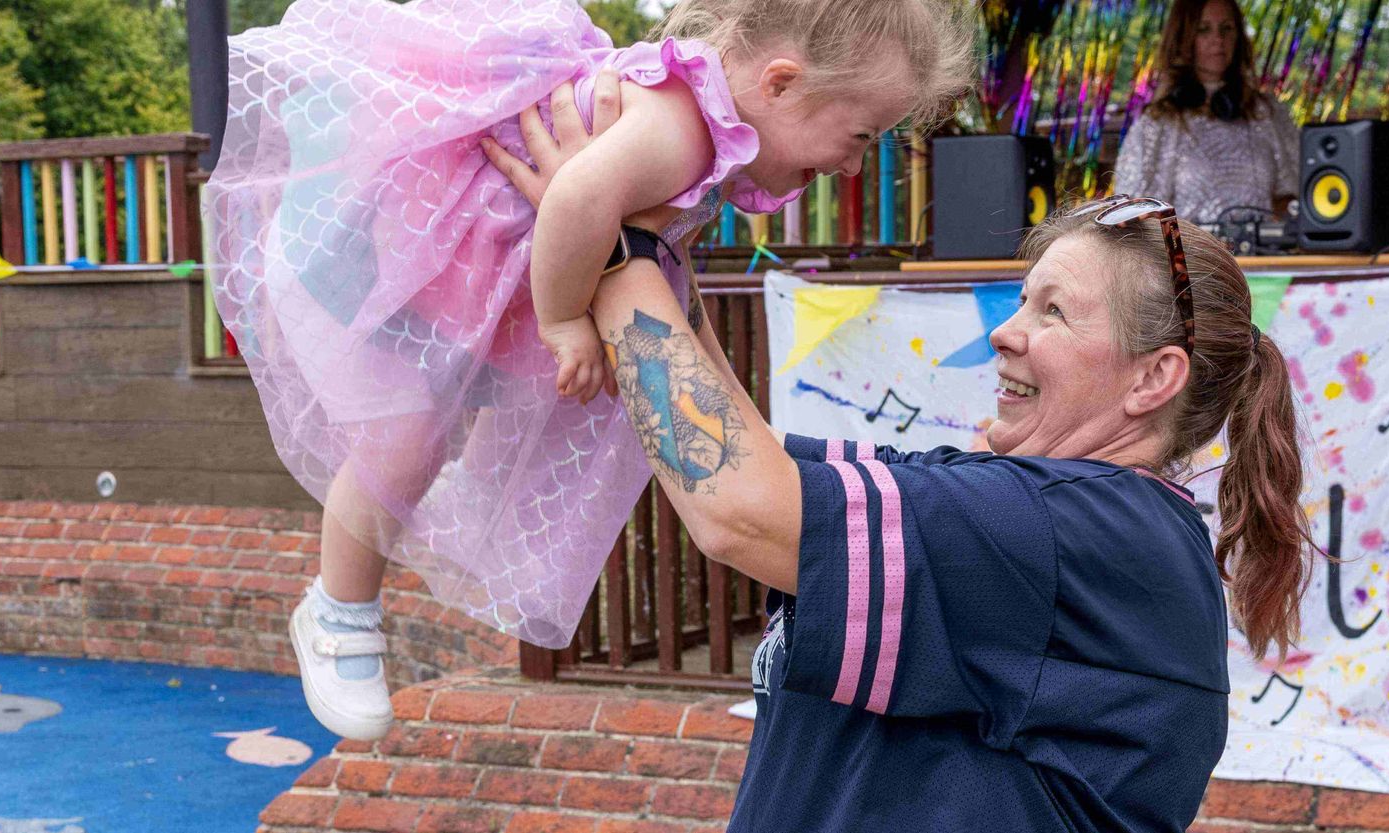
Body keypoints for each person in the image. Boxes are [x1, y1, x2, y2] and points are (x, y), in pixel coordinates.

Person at [496, 102, 1315, 832]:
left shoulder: (1074, 529)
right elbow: (758, 467)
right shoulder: (1059, 513)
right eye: (1023, 298)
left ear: (1152, 379)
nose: (1006, 331)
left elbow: (738, 508)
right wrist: (656, 247)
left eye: (1054, 310)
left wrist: (603, 236)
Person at [205, 0, 975, 741]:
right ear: (779, 83)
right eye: (861, 136)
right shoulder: (680, 130)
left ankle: (400, 525)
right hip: (411, 253)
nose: (852, 165)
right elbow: (575, 198)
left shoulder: (701, 117)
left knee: (463, 427)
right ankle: (339, 610)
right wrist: (562, 319)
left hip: (473, 274)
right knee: (405, 442)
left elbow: (645, 254)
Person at [1113, 0, 1300, 224]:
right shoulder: (1157, 123)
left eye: (1226, 28)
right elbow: (1133, 217)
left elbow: (1297, 199)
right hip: (1192, 257)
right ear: (1183, 38)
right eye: (1204, 29)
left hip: (1263, 257)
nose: (1218, 39)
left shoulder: (1268, 113)